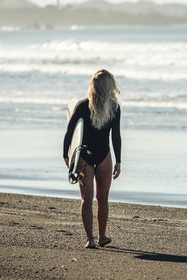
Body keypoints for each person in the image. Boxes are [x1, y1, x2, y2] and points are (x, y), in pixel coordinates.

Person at [63, 69, 122, 248]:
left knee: (87, 199)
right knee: (101, 198)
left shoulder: (83, 106)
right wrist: (118, 160)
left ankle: (92, 239)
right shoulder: (113, 107)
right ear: (109, 87)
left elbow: (69, 134)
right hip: (103, 155)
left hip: (84, 157)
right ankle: (100, 236)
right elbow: (115, 137)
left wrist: (66, 155)